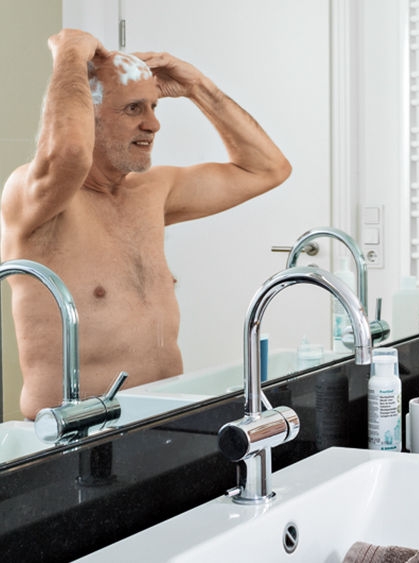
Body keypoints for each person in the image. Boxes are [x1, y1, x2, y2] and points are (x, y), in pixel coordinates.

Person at [0, 29, 291, 420]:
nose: (153, 125)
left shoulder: (153, 191)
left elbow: (268, 168)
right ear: (89, 116)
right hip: (77, 442)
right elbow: (69, 153)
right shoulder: (35, 199)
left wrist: (197, 87)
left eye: (155, 108)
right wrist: (69, 51)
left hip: (162, 424)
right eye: (134, 109)